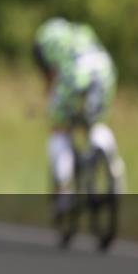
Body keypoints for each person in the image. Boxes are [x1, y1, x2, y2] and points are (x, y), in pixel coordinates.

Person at [32, 17, 122, 208]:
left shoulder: (44, 41)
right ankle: (113, 169)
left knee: (59, 130)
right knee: (95, 122)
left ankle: (65, 190)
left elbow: (51, 76)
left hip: (73, 76)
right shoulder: (81, 30)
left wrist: (50, 104)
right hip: (104, 71)